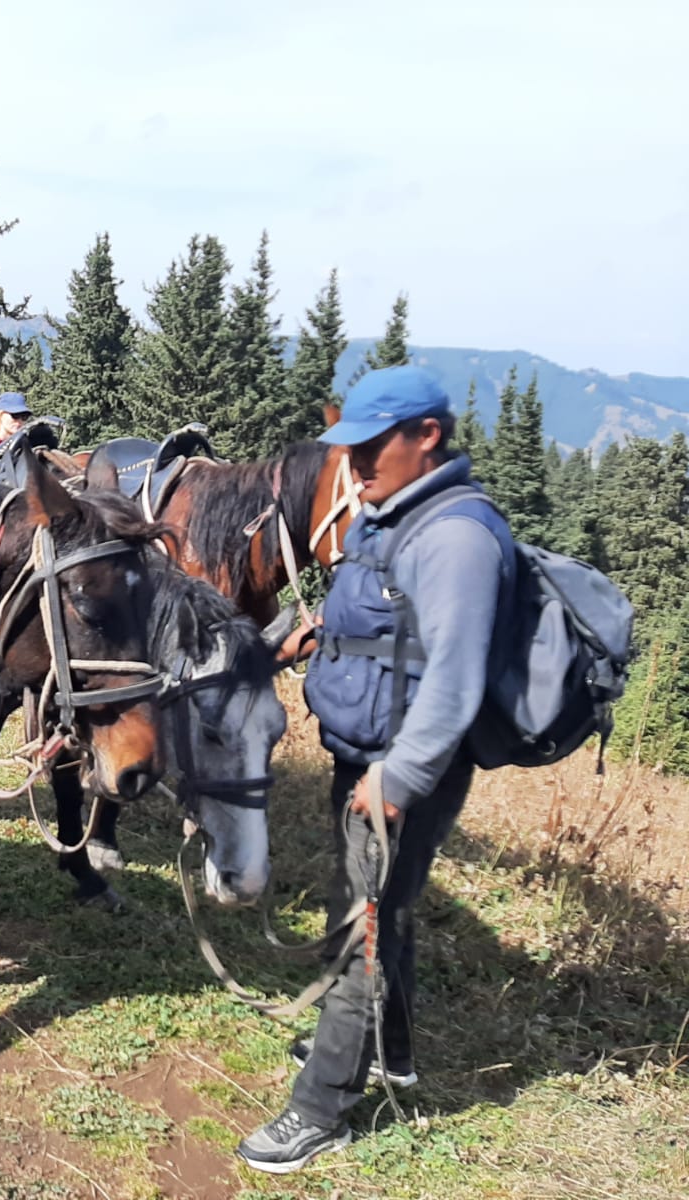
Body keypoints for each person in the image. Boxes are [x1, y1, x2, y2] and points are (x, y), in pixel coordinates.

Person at [237, 365, 515, 1175]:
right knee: (378, 912)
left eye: (369, 449)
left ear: (426, 436)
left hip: (401, 768)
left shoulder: (457, 537)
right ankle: (388, 1052)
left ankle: (321, 1108)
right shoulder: (394, 514)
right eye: (348, 451)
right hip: (365, 753)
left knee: (358, 925)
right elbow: (388, 620)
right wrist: (318, 633)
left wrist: (399, 776)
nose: (354, 467)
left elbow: (455, 679)